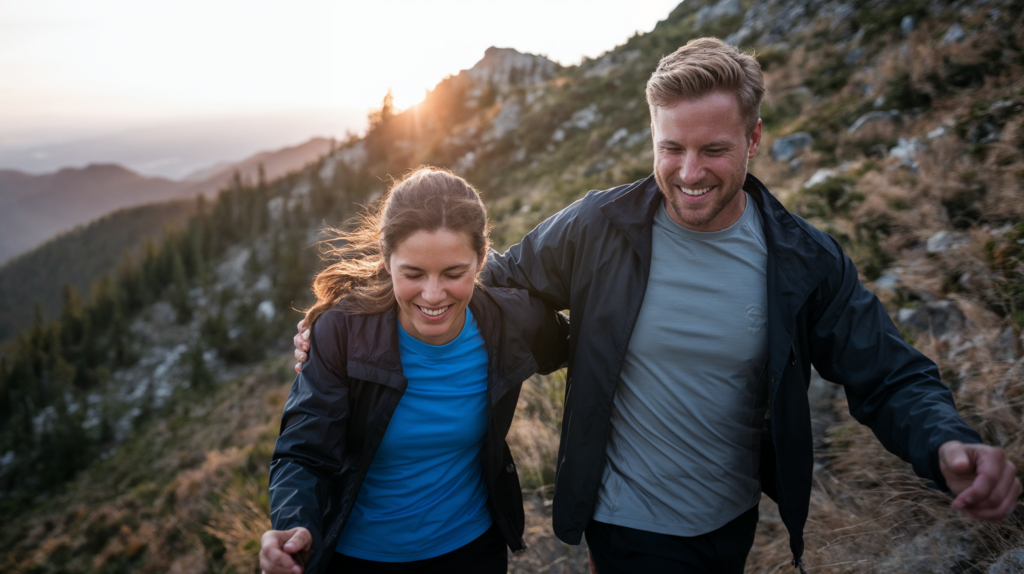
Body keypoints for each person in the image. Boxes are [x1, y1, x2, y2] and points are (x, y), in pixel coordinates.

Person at [294, 39, 1020, 573]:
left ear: (754, 139)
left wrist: (942, 441)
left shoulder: (802, 259)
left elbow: (885, 371)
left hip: (732, 517)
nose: (689, 172)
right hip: (624, 522)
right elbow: (490, 281)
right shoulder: (598, 227)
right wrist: (348, 323)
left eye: (713, 150)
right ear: (652, 138)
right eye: (671, 149)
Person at [264, 167, 569, 574]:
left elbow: (590, 348)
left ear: (481, 260)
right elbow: (304, 452)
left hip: (473, 549)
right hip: (358, 557)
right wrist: (294, 525)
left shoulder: (512, 319)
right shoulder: (342, 331)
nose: (432, 295)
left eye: (453, 273)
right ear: (386, 260)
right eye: (413, 274)